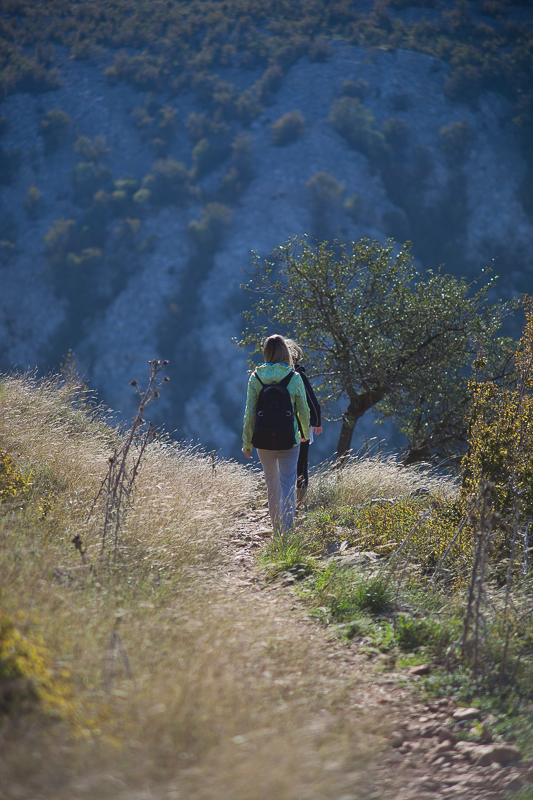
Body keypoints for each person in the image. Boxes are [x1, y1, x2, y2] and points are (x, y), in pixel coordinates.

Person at [242, 334, 310, 534]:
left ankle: (276, 527)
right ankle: (286, 532)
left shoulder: (256, 378)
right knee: (288, 483)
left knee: (271, 483)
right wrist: (304, 433)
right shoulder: (294, 377)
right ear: (284, 352)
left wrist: (246, 443)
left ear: (266, 352)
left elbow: (249, 413)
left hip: (263, 440)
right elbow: (303, 410)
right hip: (290, 439)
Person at [285, 339, 323, 507]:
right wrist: (317, 421)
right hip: (300, 429)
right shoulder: (298, 375)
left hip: (278, 428)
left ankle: (282, 500)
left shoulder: (272, 375)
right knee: (301, 465)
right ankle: (300, 501)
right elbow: (312, 401)